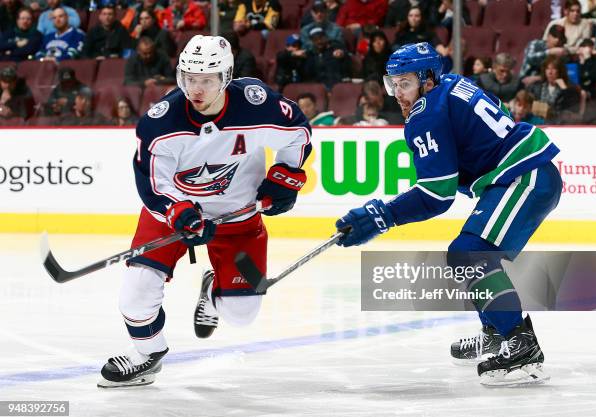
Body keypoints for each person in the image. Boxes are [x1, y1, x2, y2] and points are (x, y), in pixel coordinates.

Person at [335, 42, 561, 386]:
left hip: (523, 176)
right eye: (392, 83)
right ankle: (497, 332)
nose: (397, 93)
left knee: (470, 254)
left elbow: (437, 195)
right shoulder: (452, 83)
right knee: (468, 254)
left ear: (427, 79)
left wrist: (382, 216)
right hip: (523, 173)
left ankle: (521, 344)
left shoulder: (426, 113)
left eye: (405, 83)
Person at [97, 34, 312, 388]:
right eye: (189, 78)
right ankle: (147, 355)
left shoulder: (258, 105)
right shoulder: (161, 122)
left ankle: (214, 290)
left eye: (207, 80)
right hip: (171, 221)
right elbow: (152, 183)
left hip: (239, 219)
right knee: (135, 296)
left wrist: (285, 178)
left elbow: (298, 133)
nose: (196, 89)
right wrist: (177, 211)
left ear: (225, 77)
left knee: (243, 314)